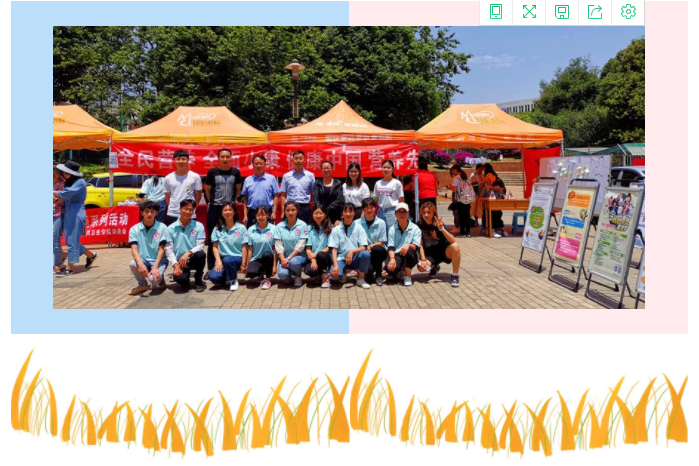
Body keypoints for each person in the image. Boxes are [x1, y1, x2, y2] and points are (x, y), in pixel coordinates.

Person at [53, 161, 98, 276]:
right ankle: (90, 255)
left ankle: (69, 268)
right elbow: (65, 196)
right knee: (69, 240)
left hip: (77, 211)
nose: (63, 174)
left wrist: (55, 193)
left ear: (70, 173)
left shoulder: (80, 182)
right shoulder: (70, 182)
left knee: (72, 241)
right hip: (69, 210)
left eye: (65, 173)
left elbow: (68, 193)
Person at [204, 148, 242, 278]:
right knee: (213, 238)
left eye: (227, 157)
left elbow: (237, 189)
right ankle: (210, 268)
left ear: (231, 158)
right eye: (222, 157)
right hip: (215, 208)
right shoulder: (212, 172)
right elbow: (207, 189)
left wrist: (231, 202)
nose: (225, 159)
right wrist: (212, 201)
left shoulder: (235, 172)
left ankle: (230, 264)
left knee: (231, 237)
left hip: (230, 208)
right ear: (218, 158)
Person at [416, 202, 462, 287]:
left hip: (443, 252)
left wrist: (442, 229)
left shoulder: (439, 224)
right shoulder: (419, 225)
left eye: (429, 212)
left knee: (455, 246)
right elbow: (420, 244)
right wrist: (423, 259)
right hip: (430, 254)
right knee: (421, 268)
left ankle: (455, 276)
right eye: (424, 212)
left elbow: (453, 240)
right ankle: (434, 267)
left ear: (434, 213)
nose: (426, 215)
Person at [128, 201, 169, 295]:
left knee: (153, 280)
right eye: (146, 211)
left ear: (156, 213)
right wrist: (140, 264)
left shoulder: (163, 227)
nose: (149, 214)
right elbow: (134, 249)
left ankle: (159, 279)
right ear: (142, 213)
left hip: (159, 261)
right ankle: (142, 285)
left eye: (152, 211)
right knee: (133, 264)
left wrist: (155, 267)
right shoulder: (134, 229)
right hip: (144, 260)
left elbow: (162, 248)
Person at [165, 199, 207, 292]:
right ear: (180, 209)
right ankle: (185, 278)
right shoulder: (171, 228)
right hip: (180, 261)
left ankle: (198, 279)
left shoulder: (199, 226)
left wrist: (188, 253)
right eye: (185, 209)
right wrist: (175, 265)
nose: (188, 212)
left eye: (191, 210)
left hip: (193, 257)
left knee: (201, 254)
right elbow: (169, 250)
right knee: (180, 280)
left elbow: (200, 245)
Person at [328, 203, 371, 289]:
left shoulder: (359, 227)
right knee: (335, 276)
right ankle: (343, 272)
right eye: (346, 211)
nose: (348, 214)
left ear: (354, 213)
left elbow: (364, 246)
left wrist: (352, 252)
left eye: (350, 212)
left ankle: (360, 279)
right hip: (341, 258)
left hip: (354, 258)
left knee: (366, 254)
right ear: (342, 213)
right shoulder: (336, 229)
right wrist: (335, 265)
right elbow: (334, 249)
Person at [209, 201, 248, 291]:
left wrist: (244, 263)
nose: (227, 212)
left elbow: (244, 246)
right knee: (214, 277)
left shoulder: (241, 228)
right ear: (221, 213)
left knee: (228, 260)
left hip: (237, 258)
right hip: (223, 260)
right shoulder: (217, 229)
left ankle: (233, 280)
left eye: (230, 210)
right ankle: (228, 278)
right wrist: (218, 261)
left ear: (234, 212)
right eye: (225, 210)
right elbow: (215, 247)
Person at [163, 150, 203, 226]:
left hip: (189, 214)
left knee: (190, 233)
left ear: (188, 160)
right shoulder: (168, 178)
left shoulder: (195, 177)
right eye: (178, 159)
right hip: (173, 213)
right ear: (174, 160)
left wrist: (191, 209)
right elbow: (167, 197)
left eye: (183, 159)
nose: (181, 161)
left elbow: (198, 197)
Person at [385, 202, 421, 286]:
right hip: (396, 254)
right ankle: (400, 270)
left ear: (408, 214)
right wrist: (392, 259)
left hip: (410, 254)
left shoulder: (415, 228)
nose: (402, 214)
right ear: (395, 214)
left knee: (409, 251)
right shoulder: (392, 229)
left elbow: (416, 246)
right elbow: (391, 246)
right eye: (399, 212)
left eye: (404, 212)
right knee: (390, 269)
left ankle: (408, 276)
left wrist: (408, 245)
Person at [274, 200, 309, 287]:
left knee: (294, 262)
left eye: (293, 210)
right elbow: (278, 245)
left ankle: (297, 275)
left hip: (299, 256)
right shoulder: (279, 226)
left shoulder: (303, 225)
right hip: (284, 257)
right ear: (284, 211)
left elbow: (301, 246)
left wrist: (288, 258)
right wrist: (283, 259)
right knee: (282, 275)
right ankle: (288, 275)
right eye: (288, 210)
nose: (290, 213)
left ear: (297, 211)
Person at [243, 206, 277, 291]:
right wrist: (247, 264)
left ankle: (268, 279)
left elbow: (275, 249)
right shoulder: (251, 229)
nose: (261, 217)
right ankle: (261, 273)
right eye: (258, 215)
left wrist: (274, 265)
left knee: (266, 255)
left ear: (268, 215)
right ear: (255, 216)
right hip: (256, 258)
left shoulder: (274, 229)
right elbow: (250, 248)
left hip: (269, 257)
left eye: (263, 215)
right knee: (251, 273)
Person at [241, 154, 280, 227]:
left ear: (265, 165)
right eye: (256, 164)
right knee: (252, 232)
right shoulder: (248, 180)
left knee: (268, 232)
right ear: (253, 165)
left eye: (261, 164)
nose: (258, 166)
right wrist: (245, 215)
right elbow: (245, 199)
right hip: (252, 212)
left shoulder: (271, 178)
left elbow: (275, 196)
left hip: (267, 212)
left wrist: (274, 212)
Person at [280, 150, 315, 224]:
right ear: (292, 160)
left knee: (305, 228)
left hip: (305, 207)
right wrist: (283, 211)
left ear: (304, 160)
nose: (298, 161)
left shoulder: (310, 175)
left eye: (300, 158)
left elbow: (313, 193)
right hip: (290, 207)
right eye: (296, 158)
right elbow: (283, 194)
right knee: (289, 227)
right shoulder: (287, 176)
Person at [359, 198, 388, 286]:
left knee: (376, 249)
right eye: (367, 208)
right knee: (370, 271)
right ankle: (369, 274)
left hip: (379, 251)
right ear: (363, 209)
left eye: (371, 207)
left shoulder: (381, 222)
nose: (369, 210)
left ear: (375, 208)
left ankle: (379, 275)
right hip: (365, 251)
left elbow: (382, 241)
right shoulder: (357, 223)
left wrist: (371, 246)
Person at [304, 205, 333, 288]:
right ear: (312, 214)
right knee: (310, 271)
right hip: (313, 257)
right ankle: (319, 275)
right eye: (316, 213)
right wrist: (313, 260)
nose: (318, 215)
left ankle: (325, 276)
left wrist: (316, 255)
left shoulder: (331, 228)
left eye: (321, 213)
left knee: (321, 255)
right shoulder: (309, 228)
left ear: (325, 214)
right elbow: (308, 248)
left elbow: (329, 247)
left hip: (325, 257)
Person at [373, 159, 404, 230]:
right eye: (384, 167)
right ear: (381, 169)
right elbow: (375, 198)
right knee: (381, 231)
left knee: (391, 231)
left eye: (388, 167)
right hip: (380, 211)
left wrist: (399, 211)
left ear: (393, 169)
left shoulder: (397, 183)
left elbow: (401, 199)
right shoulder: (378, 183)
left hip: (392, 212)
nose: (386, 169)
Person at [312, 160, 345, 225]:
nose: (326, 170)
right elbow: (315, 199)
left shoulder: (338, 183)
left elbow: (340, 199)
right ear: (321, 170)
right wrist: (322, 210)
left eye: (328, 168)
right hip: (320, 215)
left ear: (332, 169)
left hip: (335, 215)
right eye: (324, 168)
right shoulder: (317, 183)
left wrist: (326, 209)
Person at [481, 163, 508, 237]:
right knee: (490, 214)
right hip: (488, 204)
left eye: (490, 176)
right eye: (488, 176)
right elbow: (482, 195)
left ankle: (501, 230)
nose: (489, 178)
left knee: (498, 214)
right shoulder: (487, 186)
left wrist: (500, 194)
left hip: (496, 204)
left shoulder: (498, 183)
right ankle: (491, 230)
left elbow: (503, 192)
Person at [449, 165, 476, 238]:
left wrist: (449, 187)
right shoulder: (464, 177)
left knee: (461, 217)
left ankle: (462, 232)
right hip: (467, 199)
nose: (452, 172)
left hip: (460, 200)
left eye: (453, 170)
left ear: (456, 170)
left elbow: (454, 190)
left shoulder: (456, 178)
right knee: (467, 216)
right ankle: (468, 232)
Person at [53, 167, 67, 273]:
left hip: (57, 214)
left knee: (54, 237)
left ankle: (58, 264)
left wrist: (56, 199)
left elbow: (64, 200)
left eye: (55, 174)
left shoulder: (62, 184)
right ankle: (62, 255)